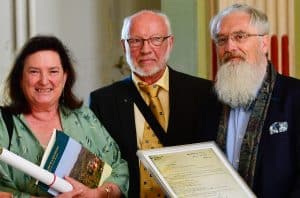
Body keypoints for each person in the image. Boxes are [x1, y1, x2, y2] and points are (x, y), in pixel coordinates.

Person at [89, 10, 220, 197]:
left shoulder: (203, 94)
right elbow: (99, 170)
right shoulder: (103, 102)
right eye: (135, 40)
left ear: (170, 43)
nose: (145, 49)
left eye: (156, 39)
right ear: (123, 46)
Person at [0, 35, 129, 198]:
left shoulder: (83, 116)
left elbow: (119, 167)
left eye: (53, 71)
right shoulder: (3, 124)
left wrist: (99, 193)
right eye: (34, 72)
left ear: (65, 76)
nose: (44, 81)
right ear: (20, 78)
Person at [210, 4, 300, 198]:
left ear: (264, 43)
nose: (230, 47)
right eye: (222, 39)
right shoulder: (209, 103)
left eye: (240, 36)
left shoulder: (295, 97)